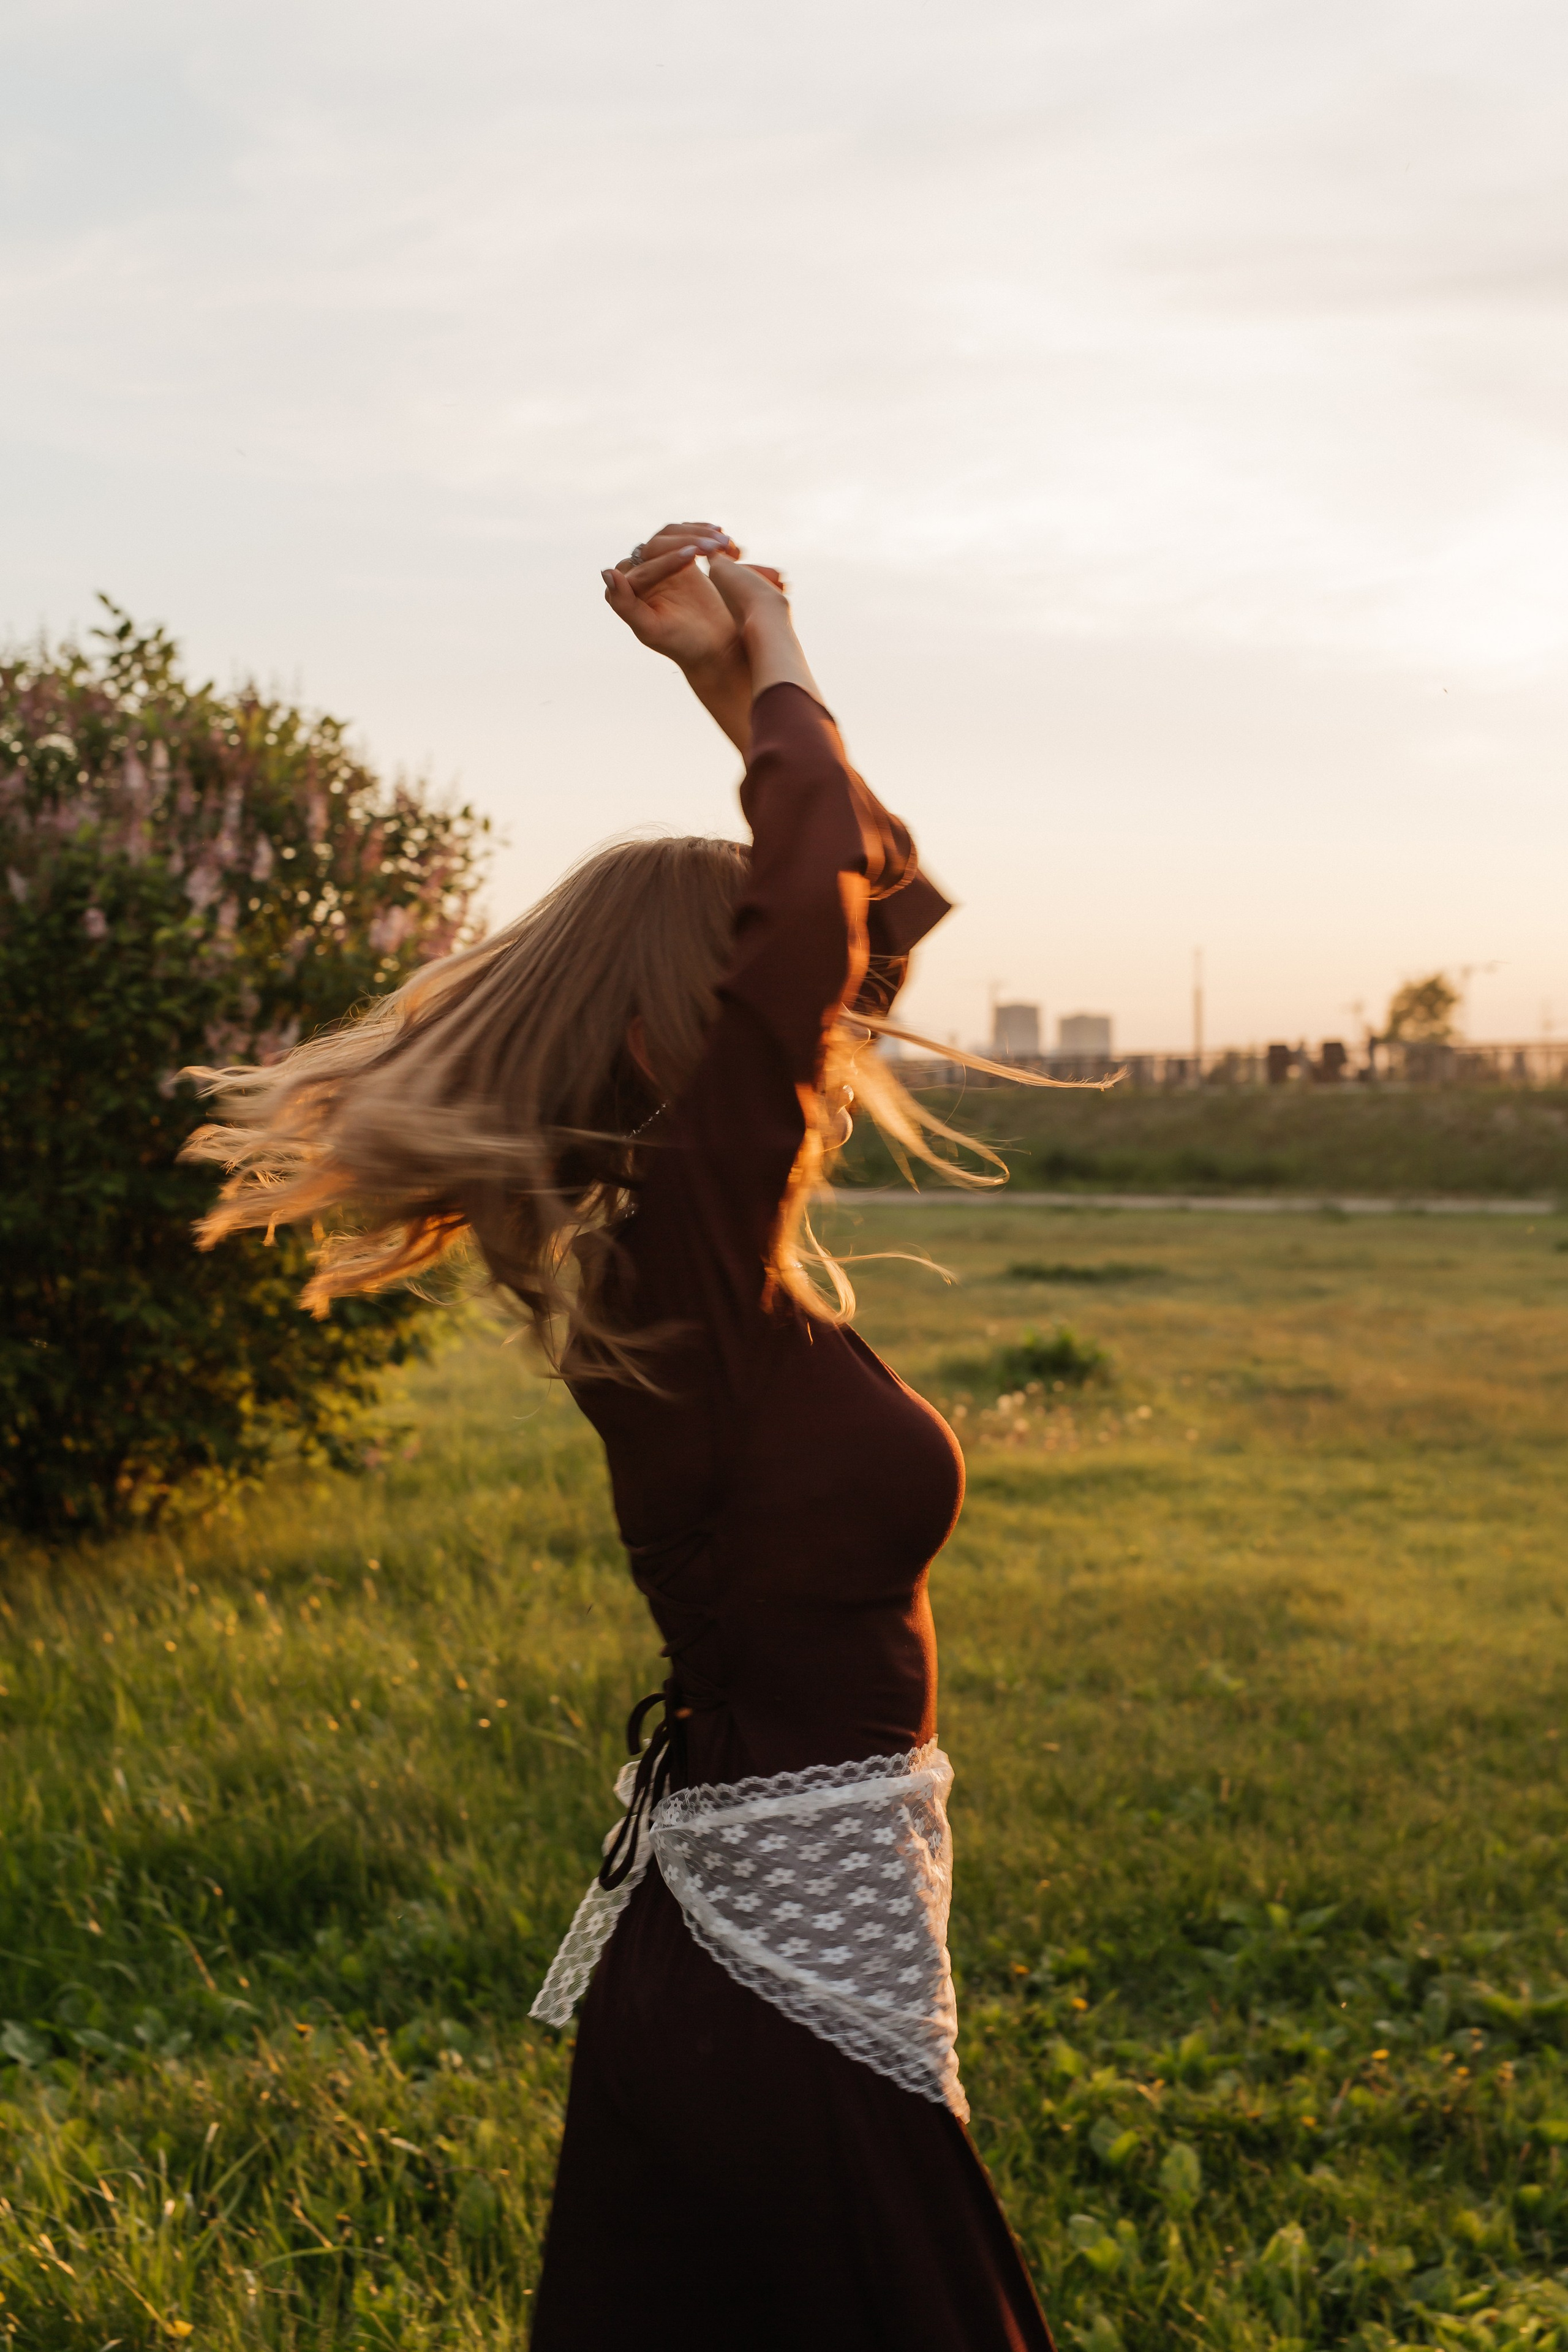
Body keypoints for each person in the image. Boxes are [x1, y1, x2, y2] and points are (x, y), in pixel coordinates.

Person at [184, 524, 1055, 2350]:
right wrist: (781, 640)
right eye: (754, 978)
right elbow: (824, 900)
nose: (821, 1017)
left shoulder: (695, 1282)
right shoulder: (682, 1278)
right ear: (681, 1038)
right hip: (770, 1963)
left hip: (768, 1931)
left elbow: (868, 902)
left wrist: (731, 685)